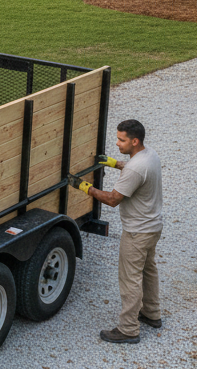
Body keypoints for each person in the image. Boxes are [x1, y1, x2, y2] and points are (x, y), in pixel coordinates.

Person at [68, 119, 163, 345]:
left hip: (137, 233)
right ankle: (152, 314)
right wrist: (114, 163)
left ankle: (128, 329)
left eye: (122, 140)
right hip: (153, 228)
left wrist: (84, 187)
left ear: (135, 140)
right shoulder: (149, 155)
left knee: (130, 279)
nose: (117, 143)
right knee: (149, 271)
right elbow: (135, 171)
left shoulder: (135, 168)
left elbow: (112, 199)